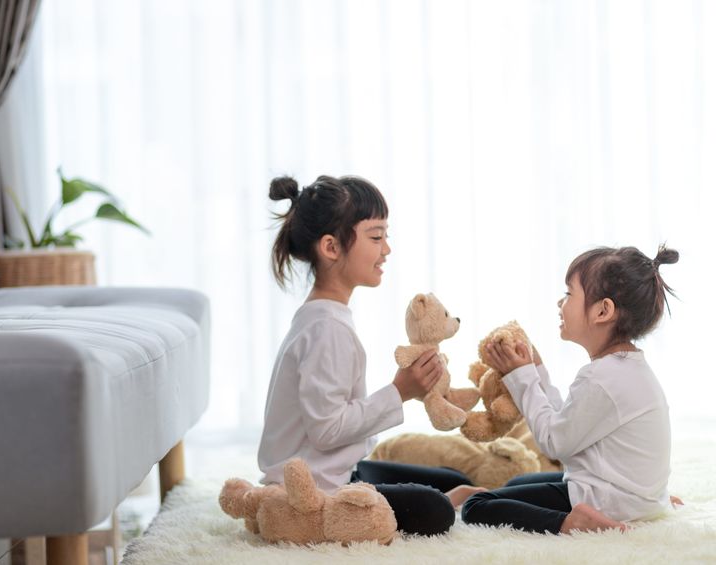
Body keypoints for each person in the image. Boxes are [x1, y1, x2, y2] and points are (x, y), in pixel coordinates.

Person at [257, 174, 484, 537]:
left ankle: (434, 492)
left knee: (450, 478)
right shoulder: (326, 329)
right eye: (376, 237)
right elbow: (326, 430)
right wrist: (400, 391)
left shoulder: (325, 317)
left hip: (336, 471)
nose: (386, 249)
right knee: (436, 508)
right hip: (311, 491)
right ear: (331, 247)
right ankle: (433, 500)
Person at [461, 245, 679, 534]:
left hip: (608, 501)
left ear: (603, 311)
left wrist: (521, 378)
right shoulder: (626, 369)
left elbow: (554, 442)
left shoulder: (601, 377)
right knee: (516, 484)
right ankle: (644, 503)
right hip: (633, 498)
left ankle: (572, 523)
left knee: (476, 506)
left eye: (568, 293)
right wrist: (537, 370)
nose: (559, 302)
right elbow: (568, 424)